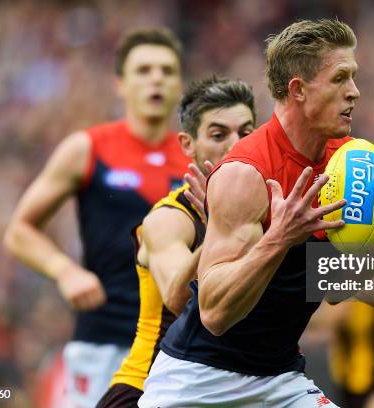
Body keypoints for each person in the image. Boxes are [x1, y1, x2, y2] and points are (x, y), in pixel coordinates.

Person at [139, 19, 374, 407]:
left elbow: (358, 292)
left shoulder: (346, 163)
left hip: (278, 380)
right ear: (298, 90)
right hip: (200, 379)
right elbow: (214, 313)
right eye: (340, 78)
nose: (354, 92)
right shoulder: (247, 174)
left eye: (354, 77)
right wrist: (279, 238)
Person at [4, 28, 188, 407]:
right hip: (104, 338)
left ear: (179, 84)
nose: (156, 78)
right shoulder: (88, 148)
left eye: (167, 70)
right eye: (144, 70)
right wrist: (64, 270)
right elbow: (19, 230)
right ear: (120, 84)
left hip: (177, 346)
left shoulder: (196, 160)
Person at [95, 76, 256, 407]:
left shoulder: (273, 209)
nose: (235, 144)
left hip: (229, 388)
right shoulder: (168, 219)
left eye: (246, 132)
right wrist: (219, 232)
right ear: (187, 144)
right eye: (218, 134)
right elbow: (176, 295)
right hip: (148, 389)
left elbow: (337, 291)